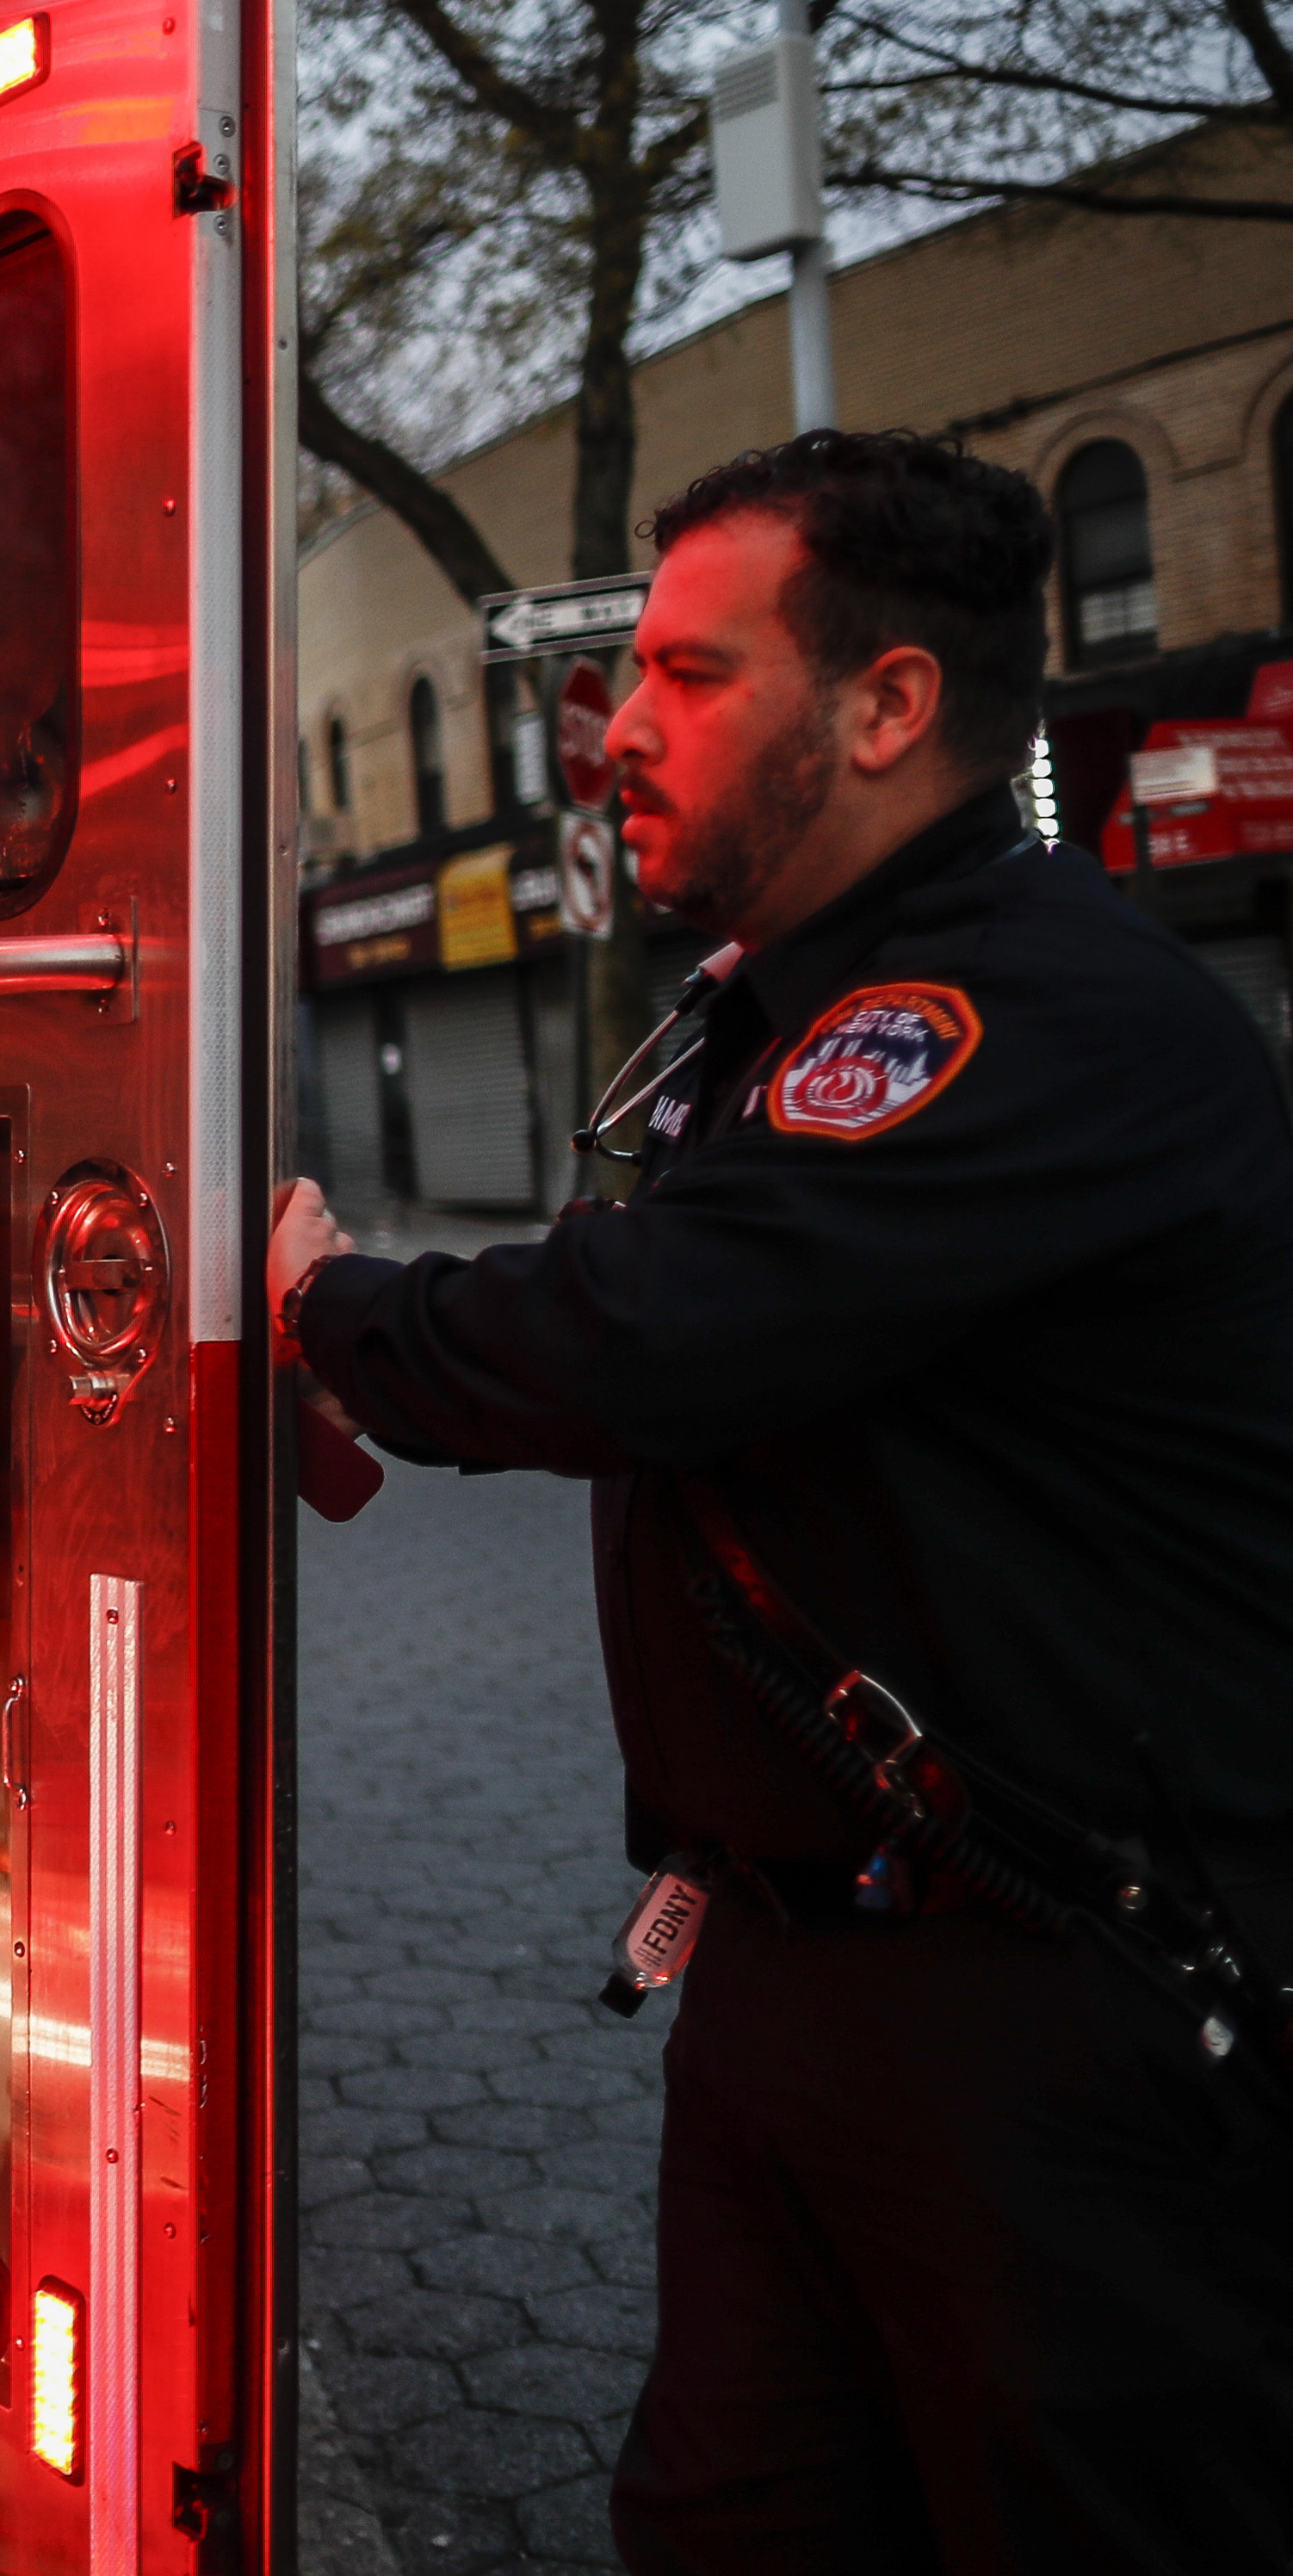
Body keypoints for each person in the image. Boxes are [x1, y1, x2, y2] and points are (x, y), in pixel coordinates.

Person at [269, 430, 1293, 2569]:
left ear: (887, 704)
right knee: (730, 2523)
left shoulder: (1012, 1011)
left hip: (1050, 2017)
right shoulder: (796, 1008)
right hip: (812, 1980)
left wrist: (324, 1304)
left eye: (687, 674)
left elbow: (648, 1331)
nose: (613, 731)